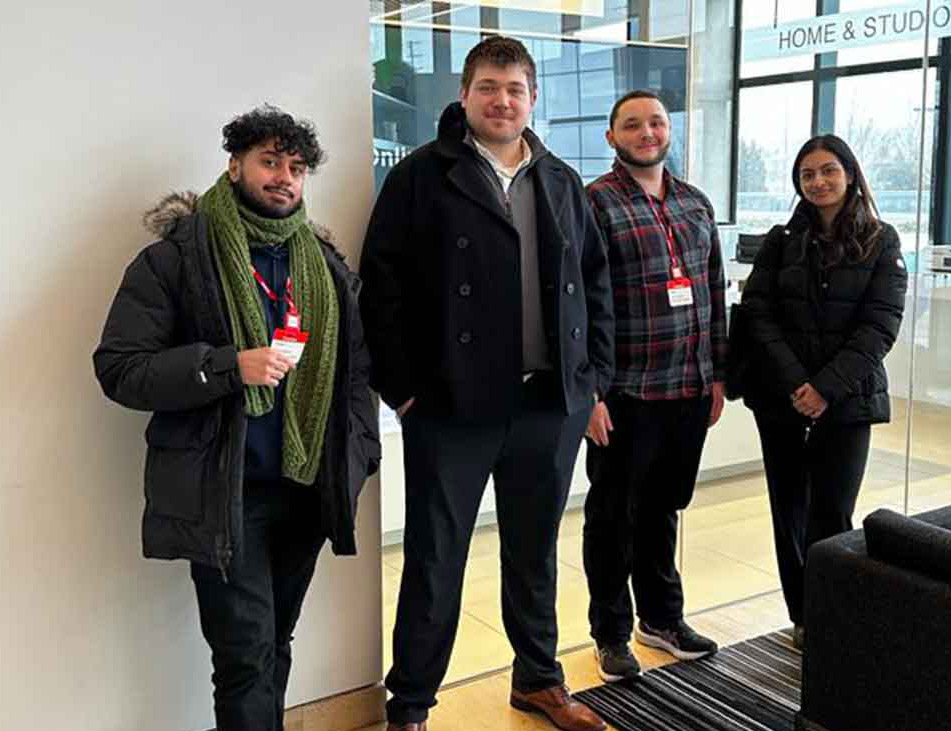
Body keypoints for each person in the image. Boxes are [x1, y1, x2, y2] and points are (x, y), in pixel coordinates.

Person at [93, 106, 381, 731]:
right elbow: (119, 368)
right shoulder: (177, 258)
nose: (284, 177)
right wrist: (227, 366)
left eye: (296, 167)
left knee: (275, 643)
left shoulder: (322, 264)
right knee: (245, 657)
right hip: (228, 494)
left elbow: (356, 375)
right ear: (235, 166)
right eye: (270, 161)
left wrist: (359, 454)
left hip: (305, 491)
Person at [359, 37, 614, 731]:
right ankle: (409, 704)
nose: (502, 100)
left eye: (515, 88)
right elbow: (379, 288)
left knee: (534, 552)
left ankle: (538, 680)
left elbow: (594, 283)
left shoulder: (559, 178)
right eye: (489, 87)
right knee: (435, 558)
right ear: (465, 96)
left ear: (533, 99)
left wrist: (590, 380)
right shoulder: (421, 175)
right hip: (450, 406)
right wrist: (402, 389)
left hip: (547, 404)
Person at [739, 134, 907, 649]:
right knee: (787, 512)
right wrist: (798, 384)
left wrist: (826, 387)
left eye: (828, 171)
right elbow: (757, 315)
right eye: (808, 174)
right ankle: (805, 616)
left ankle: (835, 609)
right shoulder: (780, 240)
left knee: (831, 512)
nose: (818, 182)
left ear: (850, 174)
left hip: (848, 400)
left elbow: (880, 326)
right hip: (782, 400)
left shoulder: (882, 240)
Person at [581, 90, 727, 683]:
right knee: (613, 516)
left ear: (670, 132)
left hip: (688, 387)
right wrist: (588, 392)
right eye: (633, 124)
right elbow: (579, 302)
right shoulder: (594, 203)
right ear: (612, 136)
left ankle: (662, 619)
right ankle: (611, 633)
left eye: (657, 122)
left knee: (664, 508)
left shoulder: (695, 202)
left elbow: (715, 291)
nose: (647, 132)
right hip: (624, 393)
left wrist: (718, 373)